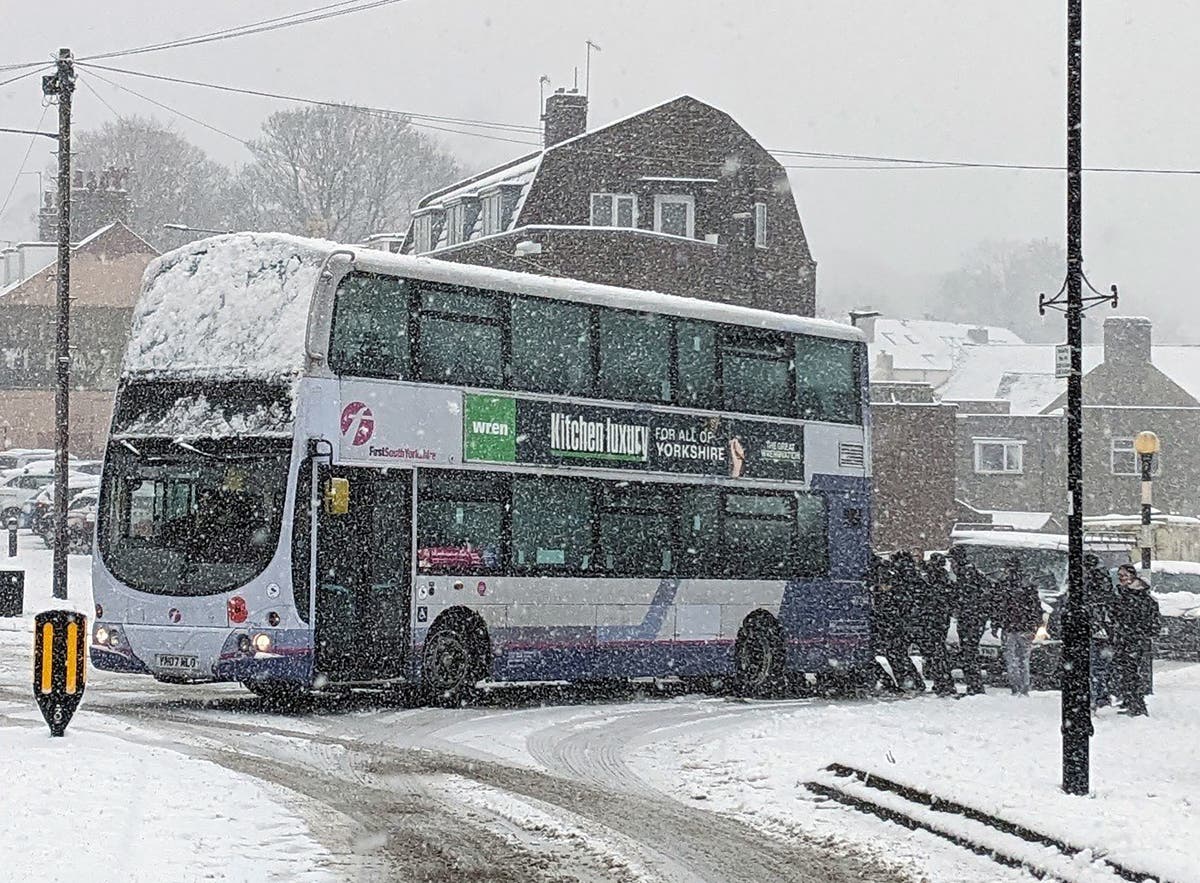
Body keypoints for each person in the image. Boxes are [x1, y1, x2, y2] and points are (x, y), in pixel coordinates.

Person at [1111, 564, 1161, 716]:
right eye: (1120, 575)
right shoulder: (1121, 594)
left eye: (1125, 575)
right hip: (1124, 638)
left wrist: (1139, 632)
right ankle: (1129, 699)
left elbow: (1151, 621)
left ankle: (1137, 703)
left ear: (1133, 577)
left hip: (1134, 639)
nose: (1122, 578)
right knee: (1124, 671)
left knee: (1131, 672)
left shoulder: (1141, 598)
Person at [870, 555, 922, 693]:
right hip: (895, 623)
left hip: (893, 624)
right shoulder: (905, 580)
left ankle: (908, 683)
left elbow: (894, 604)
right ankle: (909, 683)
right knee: (896, 655)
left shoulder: (897, 582)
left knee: (895, 654)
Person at [994, 557, 1043, 696]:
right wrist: (1035, 623)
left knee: (1011, 659)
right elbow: (1036, 606)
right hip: (1025, 627)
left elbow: (998, 606)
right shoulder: (1028, 584)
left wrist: (996, 623)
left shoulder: (1003, 585)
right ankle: (1024, 687)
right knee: (1024, 659)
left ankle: (1016, 687)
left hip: (1009, 627)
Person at [948, 546, 993, 695]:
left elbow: (966, 597)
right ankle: (974, 685)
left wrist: (959, 606)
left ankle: (975, 686)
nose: (951, 564)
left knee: (969, 654)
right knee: (968, 653)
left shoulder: (967, 574)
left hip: (971, 619)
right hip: (972, 618)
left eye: (952, 560)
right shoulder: (970, 572)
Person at [915, 552, 957, 696]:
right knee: (938, 652)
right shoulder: (945, 578)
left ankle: (942, 682)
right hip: (940, 620)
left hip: (934, 620)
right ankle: (943, 681)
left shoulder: (935, 579)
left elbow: (928, 595)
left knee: (935, 653)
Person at [1084, 554, 1117, 709]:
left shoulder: (1092, 581)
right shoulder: (1104, 580)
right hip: (1101, 628)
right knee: (1100, 665)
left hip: (1095, 628)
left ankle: (1096, 696)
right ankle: (1101, 695)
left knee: (1095, 664)